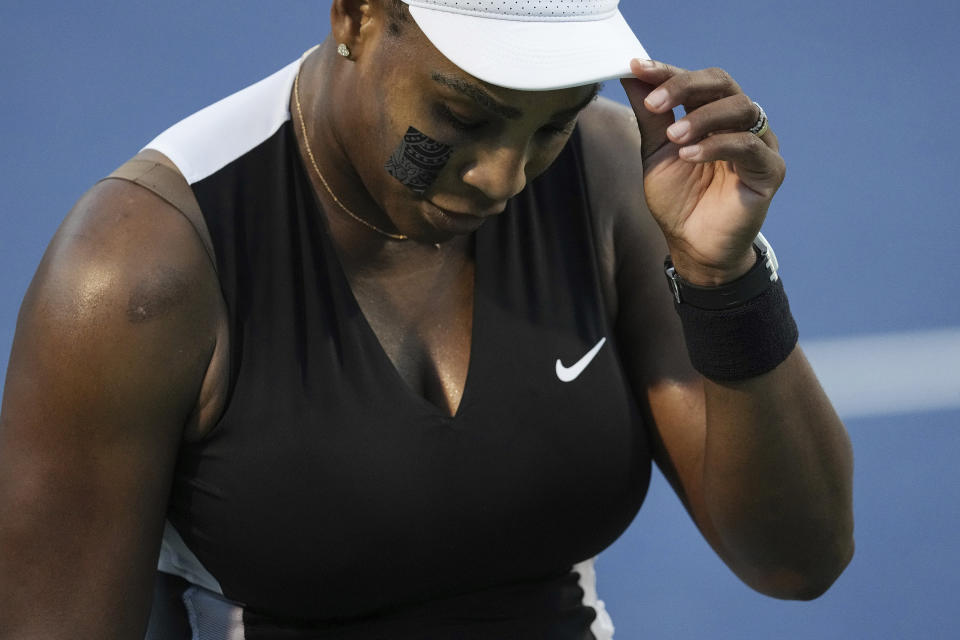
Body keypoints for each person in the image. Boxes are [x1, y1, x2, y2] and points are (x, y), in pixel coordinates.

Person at [0, 0, 854, 637]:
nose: (502, 178)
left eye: (549, 123)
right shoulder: (142, 270)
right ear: (358, 15)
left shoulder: (603, 175)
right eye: (462, 116)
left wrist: (722, 278)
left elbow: (798, 556)